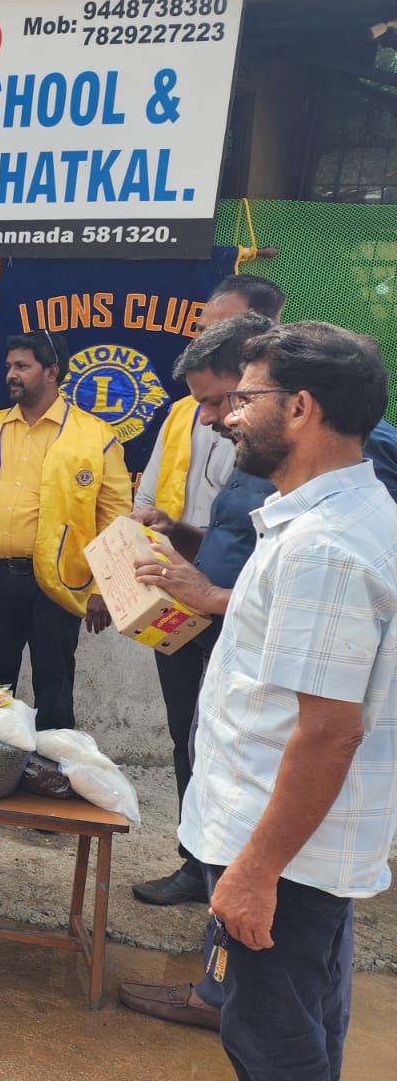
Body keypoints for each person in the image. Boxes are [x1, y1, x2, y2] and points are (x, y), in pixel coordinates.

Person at [117, 309, 397, 1039]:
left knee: (276, 1041)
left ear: (300, 408)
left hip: (286, 840)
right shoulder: (308, 507)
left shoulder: (327, 540)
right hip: (277, 822)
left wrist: (254, 870)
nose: (224, 420)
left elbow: (330, 731)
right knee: (300, 1019)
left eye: (239, 400)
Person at [125, 279, 283, 907]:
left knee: (236, 755)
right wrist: (175, 534)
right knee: (191, 739)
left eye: (225, 402)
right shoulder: (237, 442)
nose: (217, 419)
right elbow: (223, 534)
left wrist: (215, 595)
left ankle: (234, 879)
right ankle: (201, 864)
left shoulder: (323, 458)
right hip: (189, 613)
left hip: (241, 629)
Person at [0, 332, 130, 730]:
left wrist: (103, 588)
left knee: (54, 685)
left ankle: (52, 777)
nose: (11, 375)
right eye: (9, 367)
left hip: (58, 584)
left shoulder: (95, 437)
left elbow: (116, 520)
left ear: (52, 372)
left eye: (22, 366)